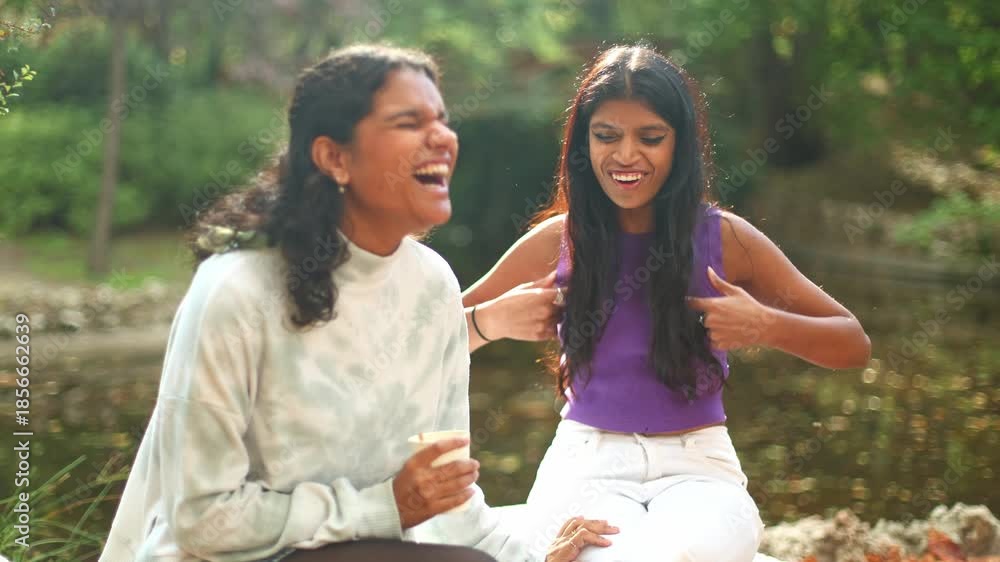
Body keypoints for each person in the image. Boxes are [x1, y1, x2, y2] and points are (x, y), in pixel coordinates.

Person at [99, 44, 616, 562]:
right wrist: (382, 508)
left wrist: (531, 557)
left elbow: (446, 499)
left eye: (442, 119)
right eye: (408, 122)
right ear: (334, 158)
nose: (442, 137)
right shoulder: (236, 290)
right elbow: (203, 520)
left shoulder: (432, 284)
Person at [461, 44, 872, 561]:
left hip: (698, 467)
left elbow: (853, 344)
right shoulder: (558, 241)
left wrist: (765, 325)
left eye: (650, 138)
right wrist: (490, 321)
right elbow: (430, 340)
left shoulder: (727, 239)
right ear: (583, 143)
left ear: (680, 144)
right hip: (586, 464)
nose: (625, 155)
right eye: (606, 135)